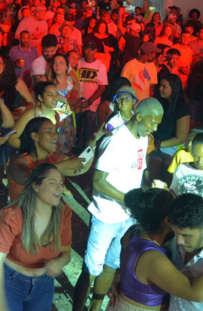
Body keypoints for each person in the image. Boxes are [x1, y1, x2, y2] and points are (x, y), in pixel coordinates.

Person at [72, 98, 163, 311]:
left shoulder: (142, 138)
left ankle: (95, 307)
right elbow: (98, 181)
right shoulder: (117, 140)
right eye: (153, 122)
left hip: (128, 217)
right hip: (107, 216)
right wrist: (131, 200)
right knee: (91, 269)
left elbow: (136, 173)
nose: (155, 128)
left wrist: (146, 192)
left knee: (112, 265)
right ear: (139, 116)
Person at [108, 188, 203, 311]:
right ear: (168, 220)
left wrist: (120, 276)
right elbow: (195, 294)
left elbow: (127, 263)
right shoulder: (154, 259)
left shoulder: (133, 231)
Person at [0, 164, 72, 311]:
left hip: (44, 286)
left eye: (61, 183)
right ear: (36, 186)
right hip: (10, 283)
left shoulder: (63, 213)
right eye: (53, 183)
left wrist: (58, 262)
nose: (59, 188)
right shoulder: (13, 216)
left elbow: (66, 253)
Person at [8, 117, 91, 202]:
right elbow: (25, 177)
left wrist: (93, 142)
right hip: (22, 214)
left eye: (55, 132)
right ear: (35, 136)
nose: (55, 135)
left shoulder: (54, 157)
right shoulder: (18, 161)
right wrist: (63, 165)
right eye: (49, 131)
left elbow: (82, 167)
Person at [9, 81, 73, 153]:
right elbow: (12, 138)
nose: (55, 98)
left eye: (56, 94)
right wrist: (32, 151)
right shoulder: (31, 114)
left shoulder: (56, 115)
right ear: (40, 97)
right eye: (50, 95)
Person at [149, 74, 191, 183]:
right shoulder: (161, 102)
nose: (160, 88)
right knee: (152, 179)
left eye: (164, 86)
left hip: (172, 150)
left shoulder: (182, 108)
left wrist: (158, 144)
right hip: (157, 147)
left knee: (166, 182)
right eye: (160, 85)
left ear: (174, 89)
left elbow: (181, 138)